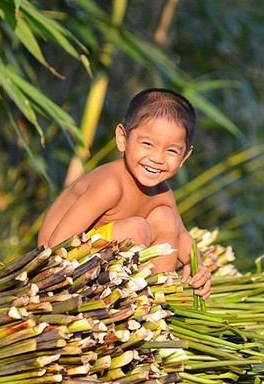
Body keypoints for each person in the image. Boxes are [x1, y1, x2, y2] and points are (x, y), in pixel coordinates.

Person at [37, 88, 211, 299]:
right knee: (137, 228)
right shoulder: (110, 184)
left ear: (185, 156)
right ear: (122, 138)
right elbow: (58, 243)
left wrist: (198, 265)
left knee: (167, 219)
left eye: (171, 151)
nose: (157, 158)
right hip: (61, 263)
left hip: (109, 261)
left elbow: (181, 235)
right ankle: (122, 300)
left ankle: (159, 297)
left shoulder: (163, 194)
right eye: (147, 144)